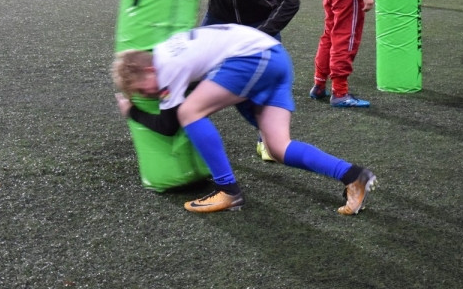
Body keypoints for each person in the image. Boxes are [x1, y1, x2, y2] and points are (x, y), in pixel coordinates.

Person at [111, 24, 377, 215]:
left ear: (148, 69)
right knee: (278, 147)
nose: (151, 94)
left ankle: (228, 190)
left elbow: (169, 126)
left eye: (144, 89)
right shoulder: (168, 52)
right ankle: (352, 175)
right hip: (273, 57)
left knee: (188, 112)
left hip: (253, 57)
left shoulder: (166, 66)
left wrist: (132, 111)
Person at [202, 0, 300, 162]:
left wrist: (261, 34)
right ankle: (184, 132)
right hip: (218, 19)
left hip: (258, 25)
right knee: (193, 72)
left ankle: (266, 139)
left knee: (265, 84)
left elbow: (290, 1)